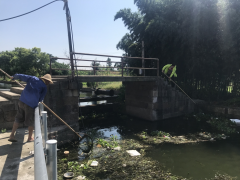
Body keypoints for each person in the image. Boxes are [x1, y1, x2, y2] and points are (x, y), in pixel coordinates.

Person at [8, 74, 53, 142]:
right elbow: (40, 99)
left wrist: (14, 77)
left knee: (18, 119)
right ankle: (29, 137)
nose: (48, 83)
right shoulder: (44, 87)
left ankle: (12, 135)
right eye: (48, 82)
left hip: (22, 101)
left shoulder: (33, 78)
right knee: (30, 121)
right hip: (30, 105)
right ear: (46, 80)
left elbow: (22, 76)